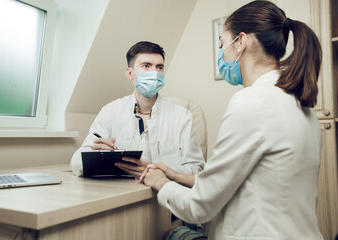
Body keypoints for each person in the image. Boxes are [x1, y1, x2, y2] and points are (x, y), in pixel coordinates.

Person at [140, 1, 323, 239]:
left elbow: (199, 207)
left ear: (241, 42)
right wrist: (176, 176)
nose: (221, 52)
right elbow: (254, 180)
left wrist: (161, 182)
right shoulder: (299, 103)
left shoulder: (251, 102)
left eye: (222, 43)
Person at [70, 41, 205, 178]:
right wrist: (95, 155)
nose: (154, 72)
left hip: (163, 193)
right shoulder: (110, 111)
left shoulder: (181, 116)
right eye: (146, 66)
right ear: (130, 73)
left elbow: (197, 168)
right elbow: (76, 162)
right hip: (121, 193)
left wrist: (154, 169)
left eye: (159, 67)